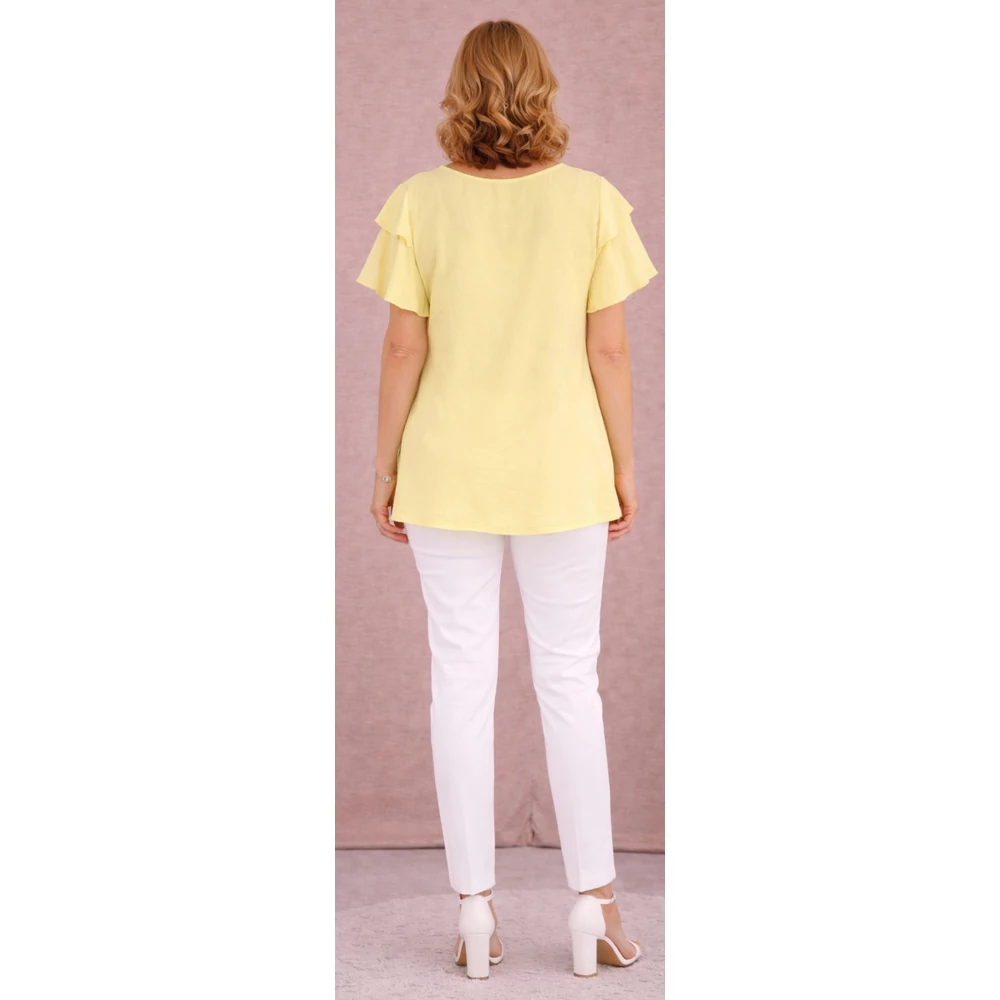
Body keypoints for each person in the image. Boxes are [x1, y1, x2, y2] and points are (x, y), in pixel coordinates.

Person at [355, 18, 658, 981]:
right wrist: (625, 464)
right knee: (571, 680)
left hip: (448, 471)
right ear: (543, 90)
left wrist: (384, 467)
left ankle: (475, 913)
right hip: (564, 469)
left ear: (459, 92)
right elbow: (608, 348)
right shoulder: (593, 201)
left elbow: (404, 346)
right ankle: (594, 907)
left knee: (460, 680)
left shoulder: (418, 202)